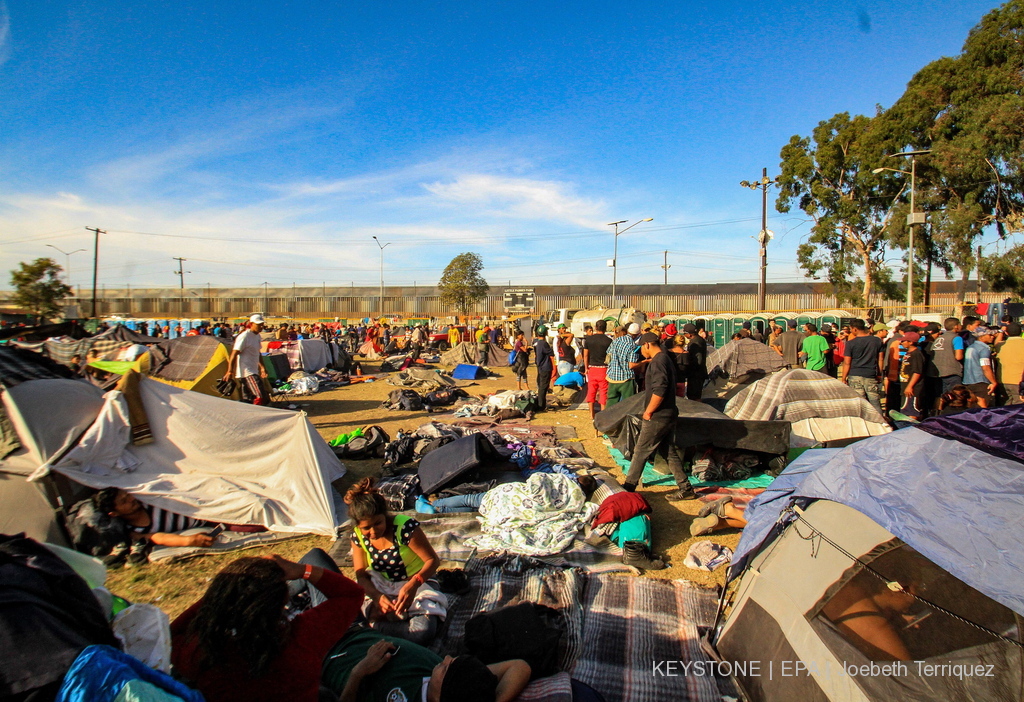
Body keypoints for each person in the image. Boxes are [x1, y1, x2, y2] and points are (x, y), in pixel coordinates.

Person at [171, 552, 365, 702]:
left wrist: (226, 591)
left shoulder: (200, 652)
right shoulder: (301, 637)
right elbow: (350, 594)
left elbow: (171, 633)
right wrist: (302, 570)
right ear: (280, 605)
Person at [347, 478, 446, 645]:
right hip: (382, 585)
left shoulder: (404, 528)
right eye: (366, 528)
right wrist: (377, 597)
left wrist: (413, 584)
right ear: (358, 526)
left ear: (385, 516)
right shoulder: (357, 536)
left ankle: (374, 628)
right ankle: (382, 624)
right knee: (350, 613)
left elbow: (432, 561)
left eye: (378, 523)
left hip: (419, 582)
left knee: (422, 632)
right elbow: (361, 576)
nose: (373, 532)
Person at [322, 631, 531, 702]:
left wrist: (359, 672)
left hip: (321, 656)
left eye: (447, 667)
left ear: (442, 696)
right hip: (351, 627)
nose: (446, 657)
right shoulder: (465, 684)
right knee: (316, 559)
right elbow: (519, 666)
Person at [622, 333, 696, 502]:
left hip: (658, 415)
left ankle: (628, 487)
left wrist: (648, 411)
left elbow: (660, 389)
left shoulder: (658, 361)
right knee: (668, 451)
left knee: (641, 450)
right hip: (669, 412)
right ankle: (686, 488)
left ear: (647, 344)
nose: (641, 352)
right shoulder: (665, 358)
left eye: (641, 348)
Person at [94, 488, 214, 566]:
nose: (131, 499)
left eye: (128, 495)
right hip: (208, 521)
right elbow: (158, 537)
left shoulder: (146, 501)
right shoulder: (133, 531)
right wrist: (189, 540)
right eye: (124, 501)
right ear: (114, 513)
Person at [224, 314, 270, 405]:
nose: (261, 327)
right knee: (260, 396)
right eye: (258, 325)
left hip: (253, 370)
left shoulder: (257, 336)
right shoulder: (244, 336)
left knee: (248, 398)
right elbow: (234, 354)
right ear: (251, 324)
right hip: (246, 372)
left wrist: (262, 367)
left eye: (262, 324)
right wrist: (230, 371)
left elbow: (257, 353)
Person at [841, 319, 884, 415]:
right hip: (871, 374)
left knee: (860, 402)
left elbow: (847, 362)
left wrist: (844, 378)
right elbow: (880, 359)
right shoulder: (877, 341)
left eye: (851, 329)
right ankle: (881, 423)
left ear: (855, 329)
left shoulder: (851, 343)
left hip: (855, 375)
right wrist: (880, 374)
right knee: (875, 402)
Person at [924, 318, 965, 407]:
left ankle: (938, 414)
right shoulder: (957, 338)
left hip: (937, 373)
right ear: (956, 326)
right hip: (951, 372)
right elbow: (959, 356)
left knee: (940, 396)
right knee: (955, 396)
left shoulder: (939, 338)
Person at [606, 324, 642, 410]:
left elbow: (608, 355)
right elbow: (632, 365)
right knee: (628, 405)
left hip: (612, 377)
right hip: (626, 378)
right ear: (637, 335)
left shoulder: (616, 340)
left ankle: (607, 420)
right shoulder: (633, 346)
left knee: (611, 403)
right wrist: (644, 362)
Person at [582, 319, 613, 422]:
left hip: (592, 368)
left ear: (595, 327)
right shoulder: (608, 341)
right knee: (604, 391)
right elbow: (610, 357)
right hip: (604, 368)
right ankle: (603, 414)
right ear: (605, 328)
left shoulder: (589, 340)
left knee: (591, 391)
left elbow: (586, 355)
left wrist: (586, 368)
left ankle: (592, 414)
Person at [962, 326, 998, 407]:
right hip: (981, 382)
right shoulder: (984, 349)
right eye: (989, 335)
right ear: (982, 337)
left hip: (968, 381)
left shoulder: (970, 348)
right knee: (983, 407)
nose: (992, 337)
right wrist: (993, 382)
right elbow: (985, 367)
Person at [994, 322, 1024, 406]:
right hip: (1019, 382)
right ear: (1021, 332)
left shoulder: (1000, 345)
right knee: (1018, 409)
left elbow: (996, 342)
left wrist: (1001, 332)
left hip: (1003, 381)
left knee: (1004, 408)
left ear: (1006, 333)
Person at [898, 331, 926, 419]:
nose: (901, 342)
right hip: (905, 386)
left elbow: (917, 372)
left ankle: (911, 429)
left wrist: (910, 386)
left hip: (913, 389)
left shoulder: (916, 354)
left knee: (912, 411)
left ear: (911, 342)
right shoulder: (908, 353)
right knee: (906, 410)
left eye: (904, 341)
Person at [679, 323, 708, 401]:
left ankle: (698, 409)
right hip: (696, 374)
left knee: (694, 396)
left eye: (685, 333)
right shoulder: (698, 340)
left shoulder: (695, 343)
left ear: (689, 334)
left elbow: (699, 360)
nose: (684, 335)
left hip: (696, 375)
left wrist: (689, 368)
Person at [532, 325, 554, 412]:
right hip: (545, 367)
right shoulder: (544, 343)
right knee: (543, 387)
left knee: (542, 387)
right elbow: (551, 352)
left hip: (541, 367)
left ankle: (542, 404)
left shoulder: (537, 343)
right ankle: (541, 406)